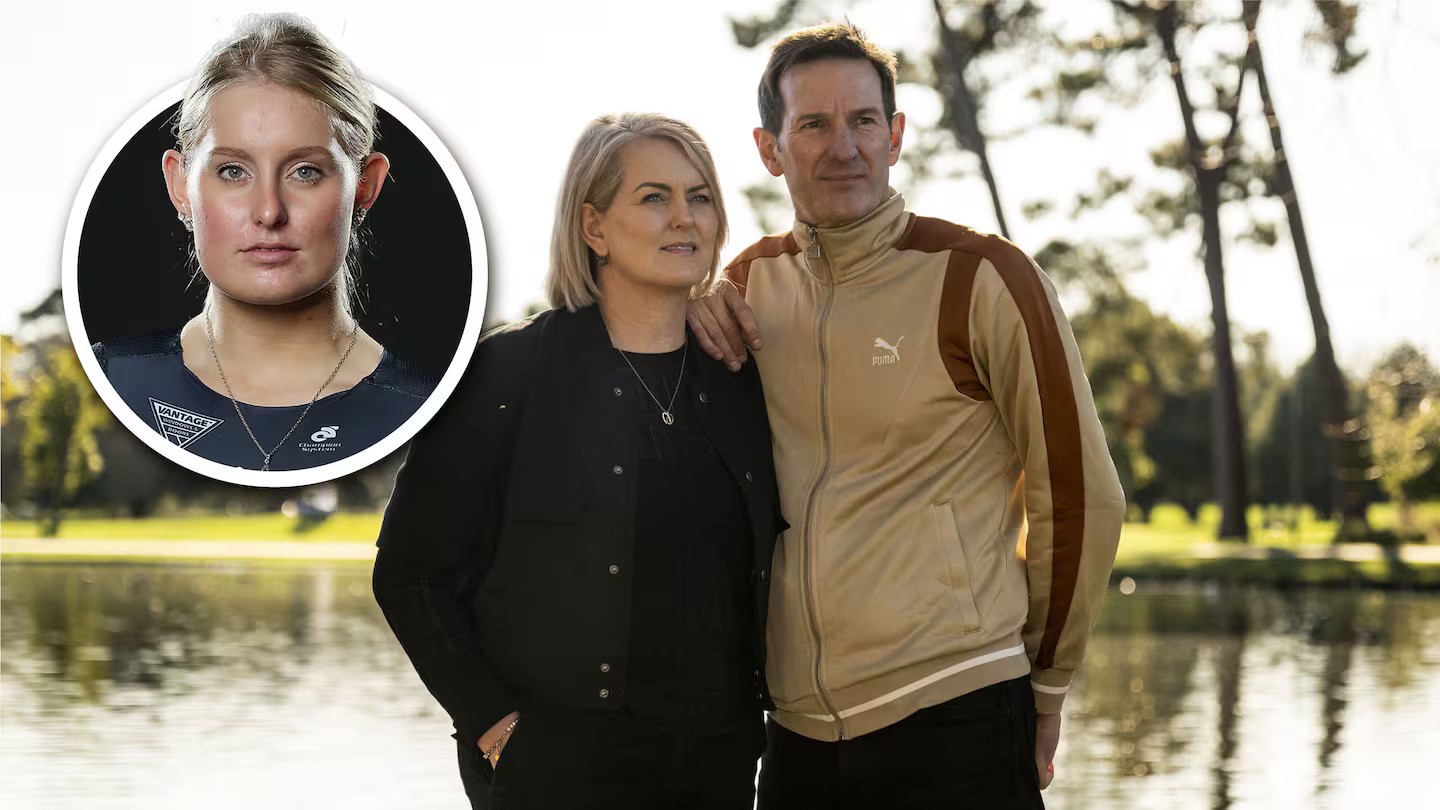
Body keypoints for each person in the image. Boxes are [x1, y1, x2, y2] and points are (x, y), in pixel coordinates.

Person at [688, 21, 1127, 809]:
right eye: (813, 124)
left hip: (955, 709)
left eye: (862, 121)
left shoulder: (983, 277)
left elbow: (1078, 494)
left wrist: (1047, 685)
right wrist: (694, 302)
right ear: (769, 148)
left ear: (895, 136)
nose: (843, 146)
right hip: (795, 734)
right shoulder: (745, 290)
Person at [373, 113, 784, 810]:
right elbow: (409, 574)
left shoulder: (742, 379)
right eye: (654, 197)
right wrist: (497, 728)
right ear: (594, 228)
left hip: (716, 765)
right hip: (554, 774)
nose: (683, 218)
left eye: (700, 196)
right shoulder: (504, 377)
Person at [92, 14, 434, 472]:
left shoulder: (427, 409)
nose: (269, 212)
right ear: (180, 186)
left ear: (365, 186)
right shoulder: (112, 382)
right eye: (233, 171)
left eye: (305, 171)